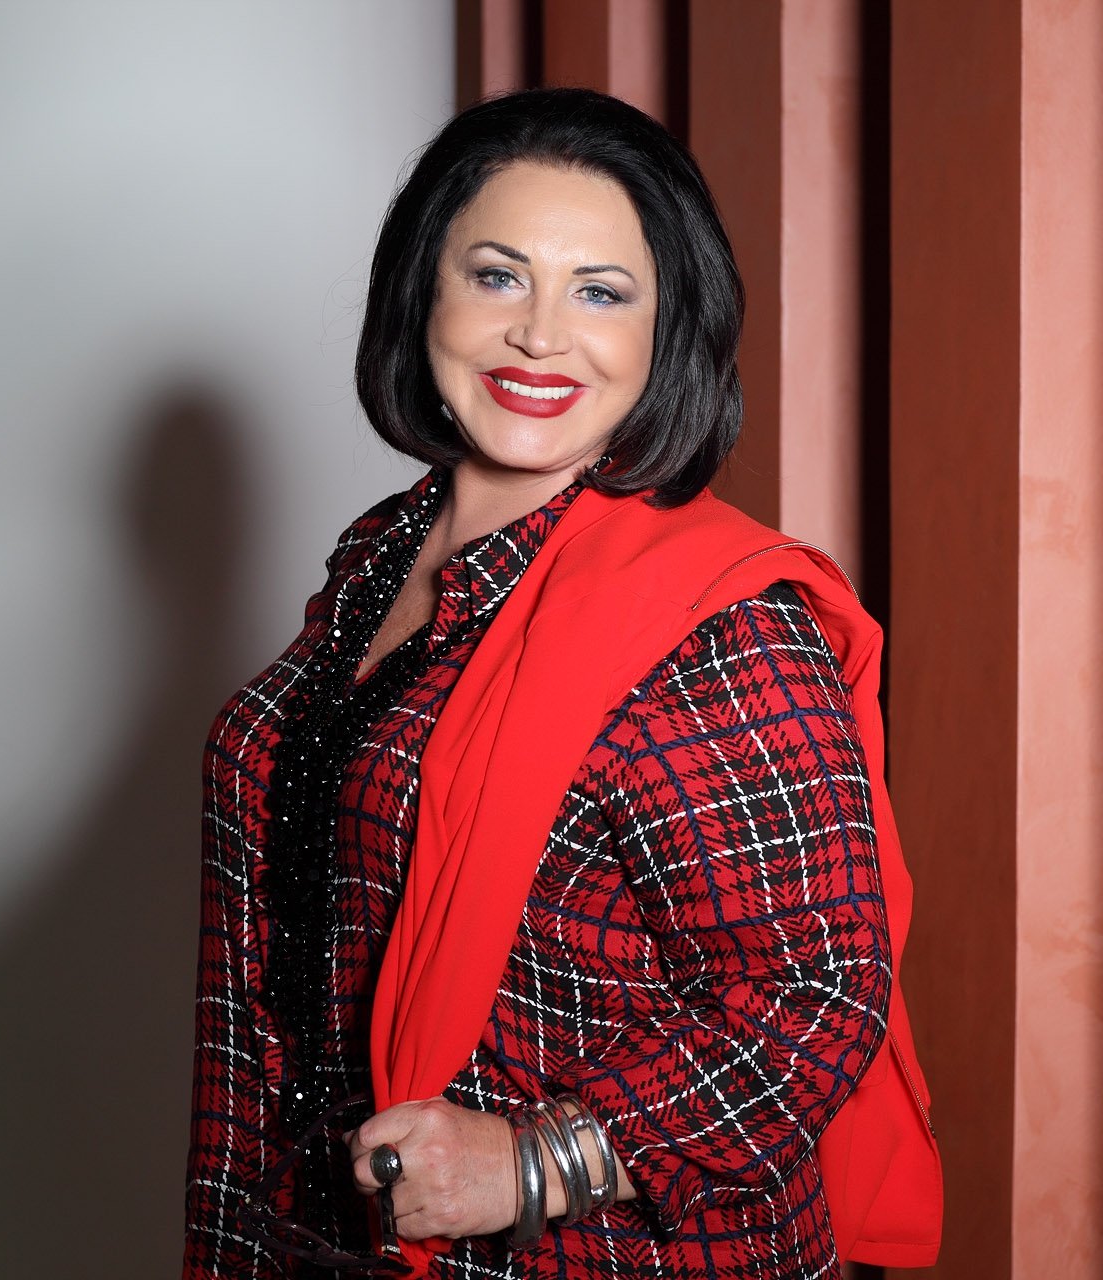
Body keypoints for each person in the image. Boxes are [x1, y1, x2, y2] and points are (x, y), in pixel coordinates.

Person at [183, 87, 940, 1280]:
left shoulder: (718, 626)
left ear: (664, 331)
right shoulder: (380, 555)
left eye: (600, 291)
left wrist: (535, 1161)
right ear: (422, 292)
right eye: (498, 275)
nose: (541, 334)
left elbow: (816, 990)